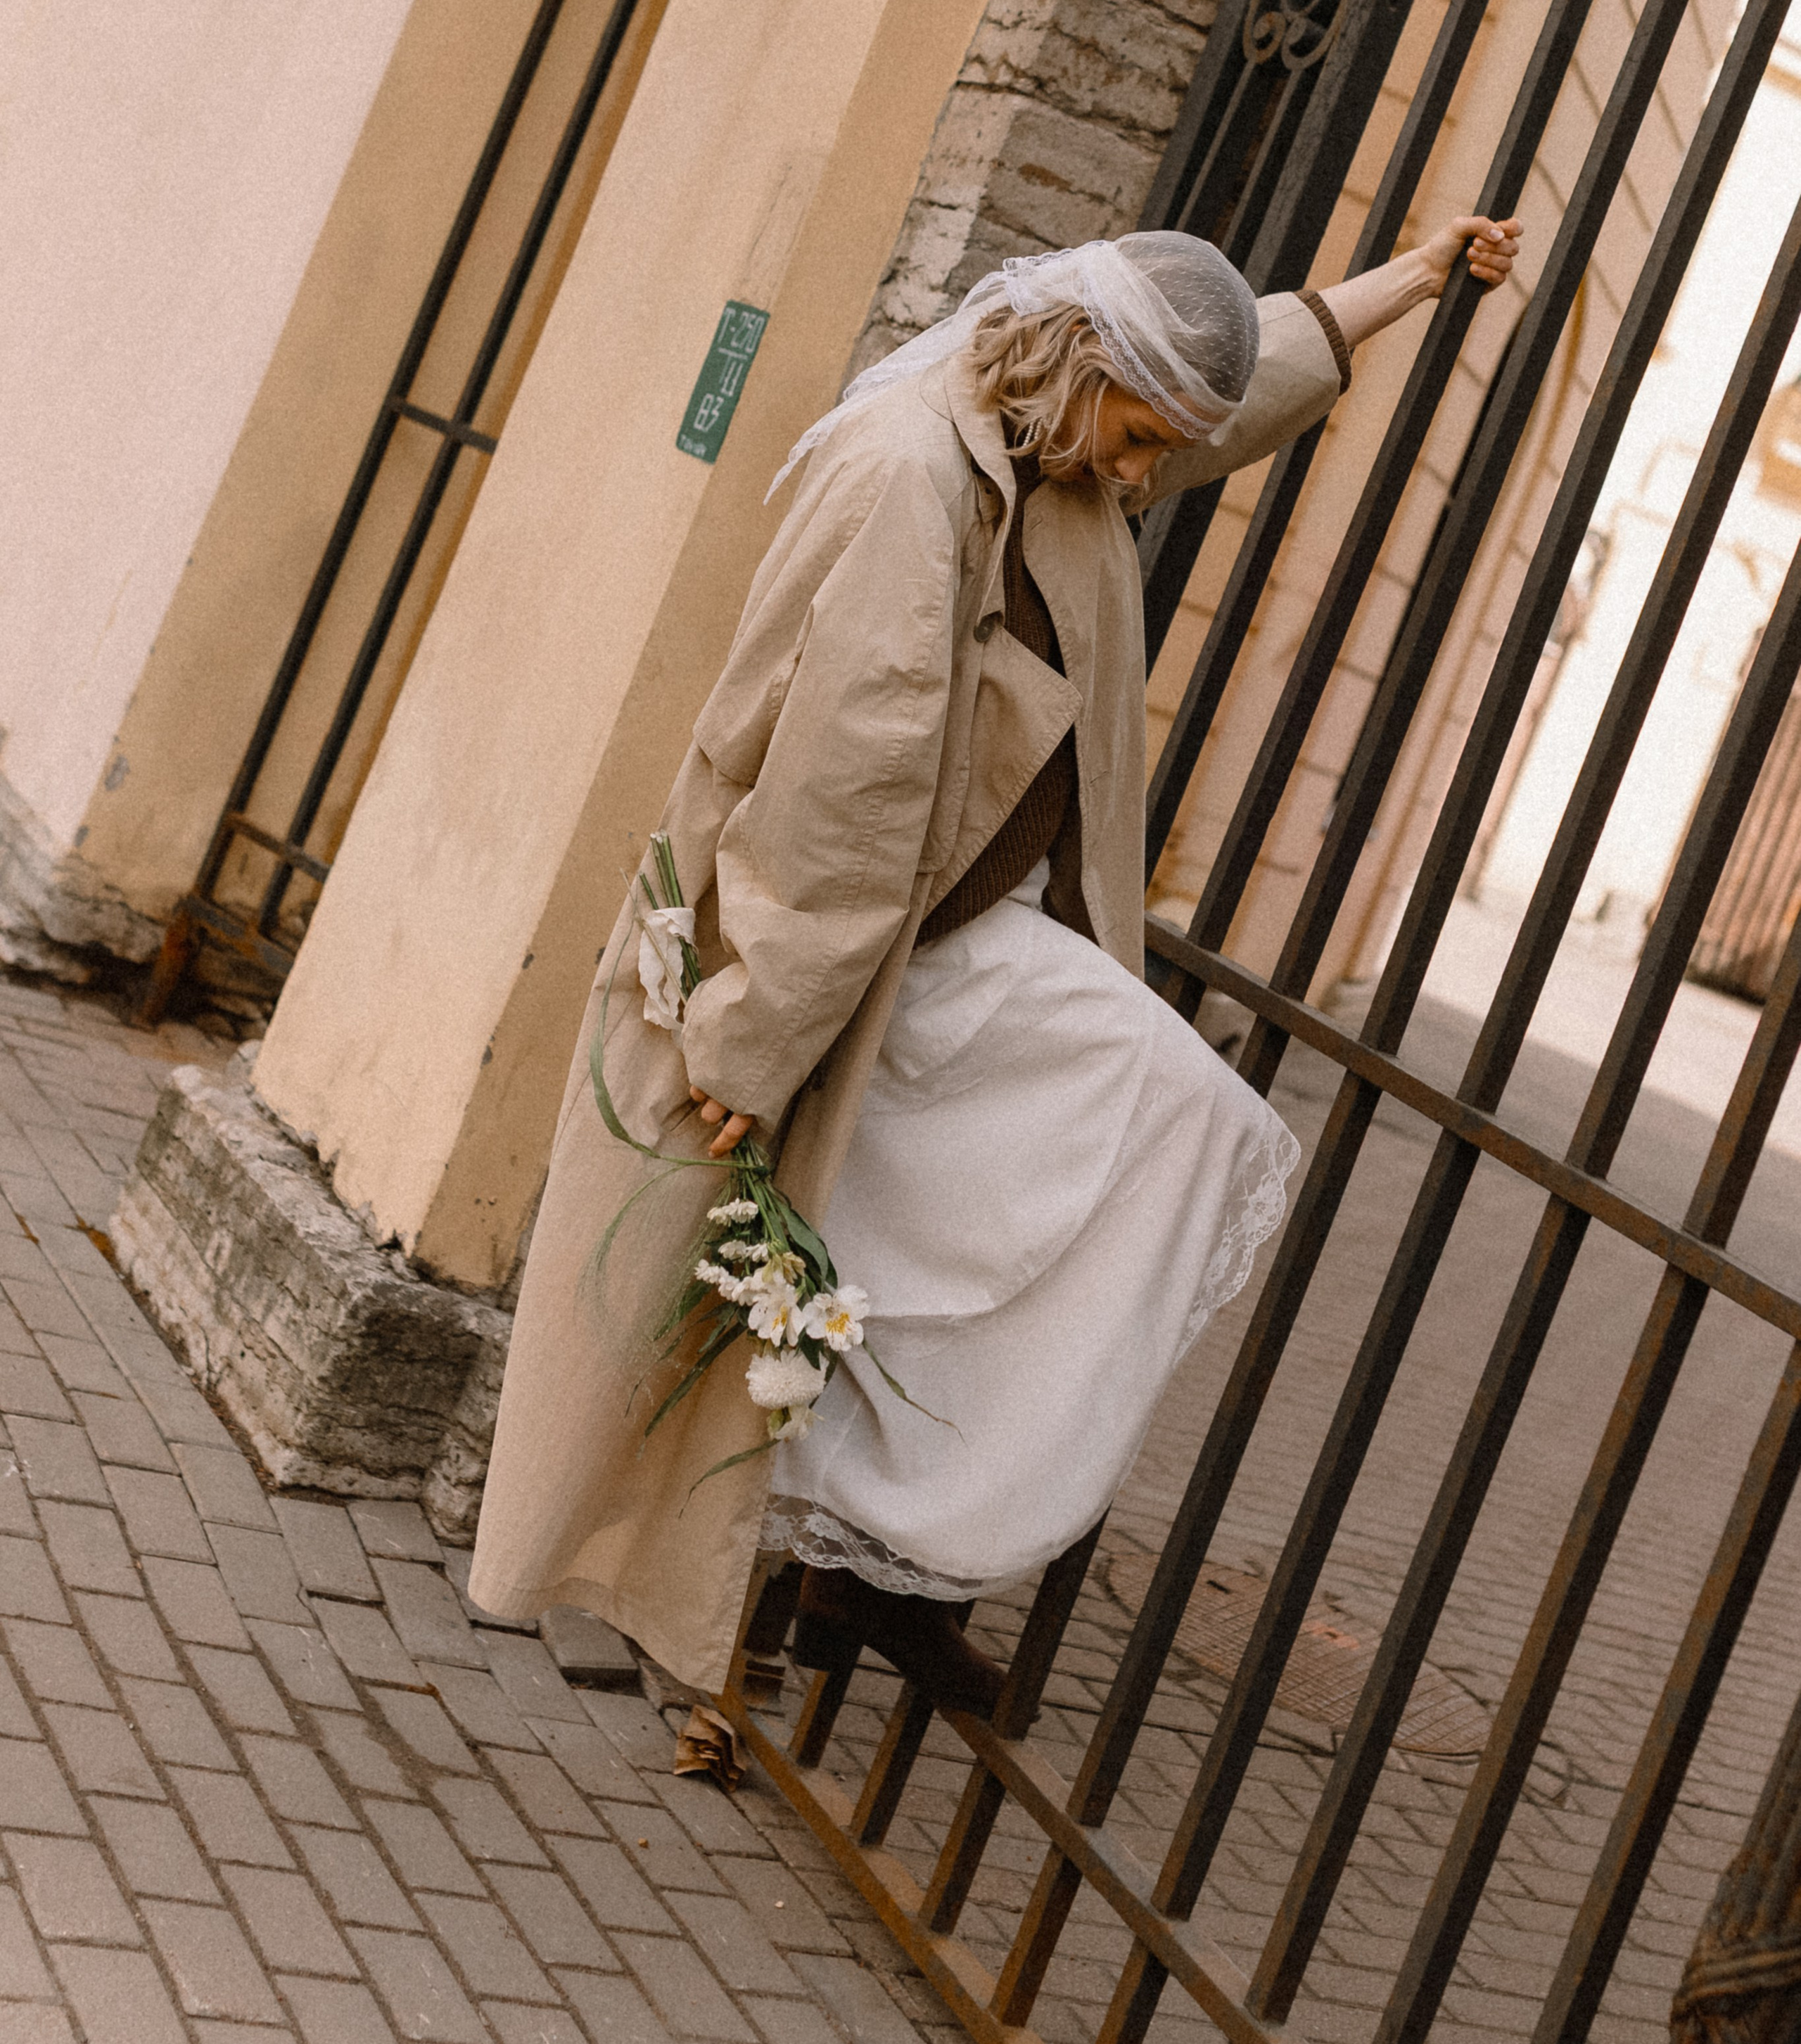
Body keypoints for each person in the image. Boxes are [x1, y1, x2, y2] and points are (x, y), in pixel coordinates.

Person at [469, 216, 1520, 1701]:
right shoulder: (914, 477)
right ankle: (730, 1554)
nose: (1145, 476)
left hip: (955, 934)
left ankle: (868, 1558)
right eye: (1140, 438)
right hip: (854, 955)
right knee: (763, 1233)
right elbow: (836, 801)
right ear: (1088, 364)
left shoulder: (1052, 437)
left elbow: (1219, 402)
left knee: (1058, 1189)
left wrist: (1409, 281)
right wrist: (753, 1038)